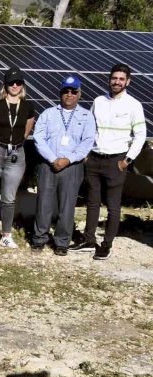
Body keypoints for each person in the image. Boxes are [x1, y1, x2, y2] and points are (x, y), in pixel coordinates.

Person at [70, 63, 146, 260]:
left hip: (116, 161)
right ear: (109, 79)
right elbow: (90, 129)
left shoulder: (133, 105)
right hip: (94, 159)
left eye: (121, 79)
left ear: (128, 81)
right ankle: (88, 240)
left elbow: (140, 135)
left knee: (113, 206)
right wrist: (86, 154)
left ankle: (106, 245)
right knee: (92, 202)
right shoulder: (99, 101)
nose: (117, 82)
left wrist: (127, 160)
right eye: (114, 78)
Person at [32, 76, 96, 256]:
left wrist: (68, 159)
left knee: (67, 206)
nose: (69, 95)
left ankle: (62, 242)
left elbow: (87, 142)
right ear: (60, 93)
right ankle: (39, 239)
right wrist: (53, 159)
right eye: (66, 91)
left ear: (79, 94)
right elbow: (39, 138)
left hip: (72, 167)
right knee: (44, 203)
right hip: (48, 164)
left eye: (73, 91)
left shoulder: (86, 116)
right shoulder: (48, 113)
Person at [0, 67, 36, 249]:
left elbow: (26, 131)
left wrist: (14, 145)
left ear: (22, 85)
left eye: (18, 83)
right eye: (11, 83)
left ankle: (6, 235)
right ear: (5, 85)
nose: (15, 86)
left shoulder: (28, 107)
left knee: (9, 198)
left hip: (16, 154)